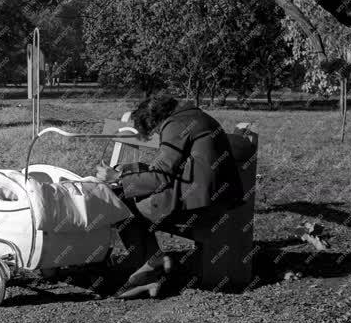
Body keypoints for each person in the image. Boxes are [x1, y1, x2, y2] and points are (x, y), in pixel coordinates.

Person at [96, 93, 244, 299]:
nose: (157, 134)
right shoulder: (197, 117)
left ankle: (150, 265)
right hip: (219, 199)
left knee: (119, 199)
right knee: (129, 194)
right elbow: (179, 168)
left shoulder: (175, 125)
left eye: (154, 131)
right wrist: (134, 170)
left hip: (202, 208)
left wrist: (119, 177)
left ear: (155, 120)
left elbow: (160, 178)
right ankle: (152, 268)